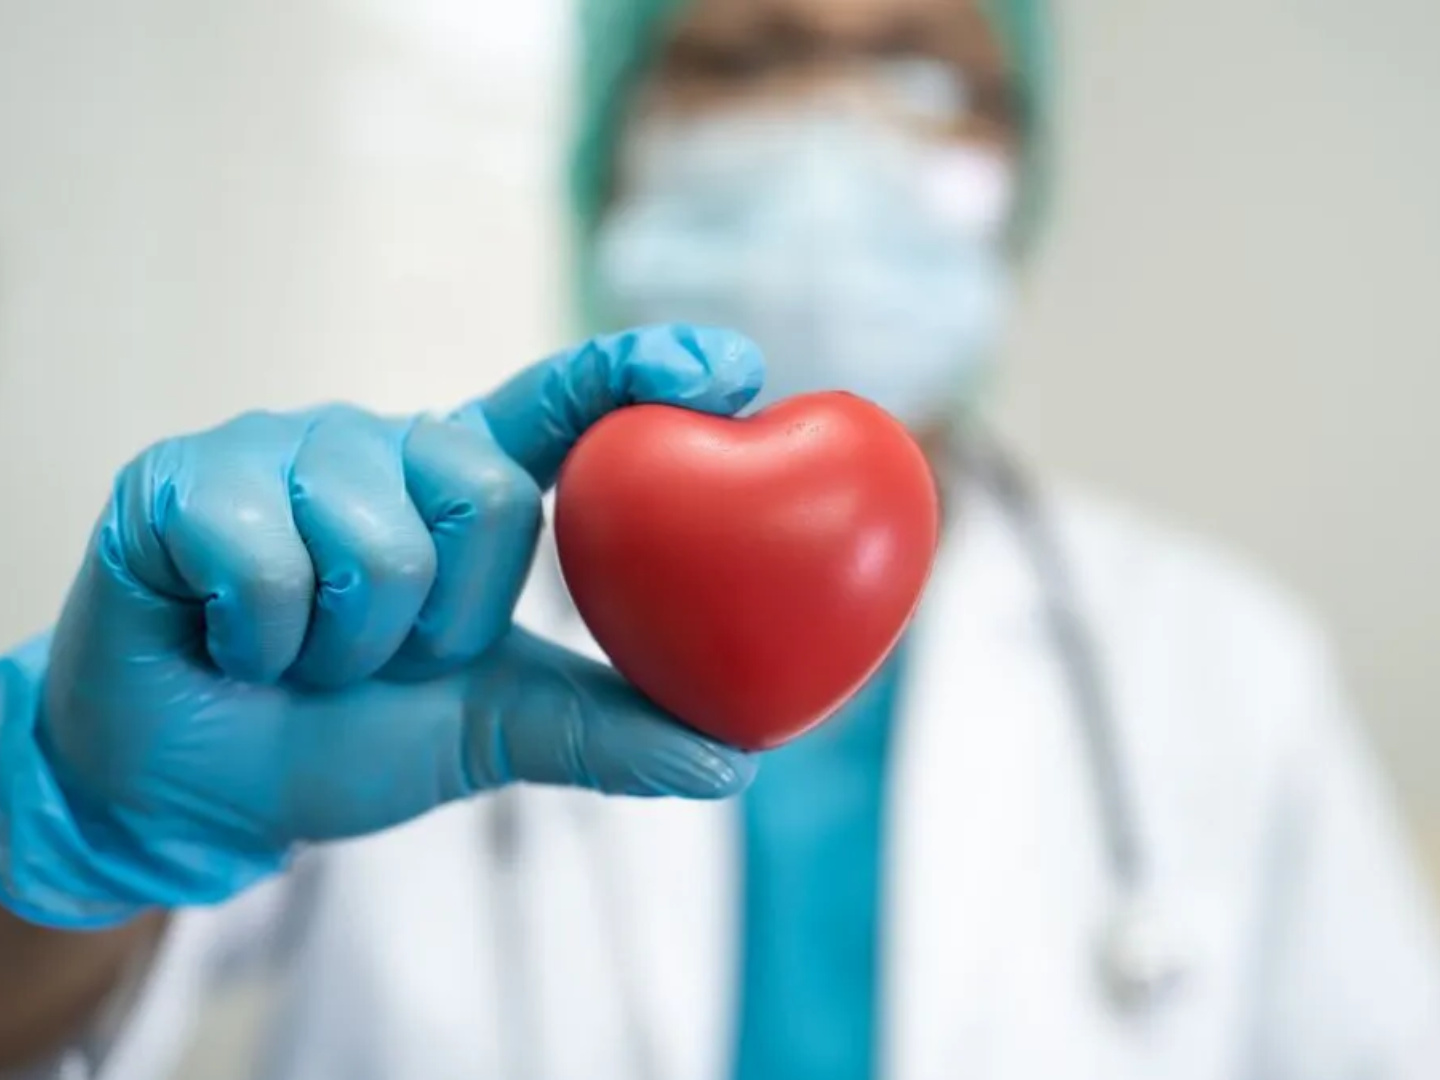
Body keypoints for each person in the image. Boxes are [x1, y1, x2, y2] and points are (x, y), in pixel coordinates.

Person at [3, 1, 1439, 1078]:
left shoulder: (1227, 669)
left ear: (1021, 174)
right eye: (742, 61)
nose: (831, 135)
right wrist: (73, 831)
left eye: (925, 72)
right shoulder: (382, 603)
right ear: (609, 139)